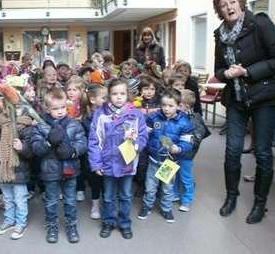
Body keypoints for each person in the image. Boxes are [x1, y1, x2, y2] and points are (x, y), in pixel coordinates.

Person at [213, 0, 275, 224]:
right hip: (236, 99)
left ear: (241, 3)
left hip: (264, 97)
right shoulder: (220, 35)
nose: (228, 7)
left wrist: (248, 71)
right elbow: (218, 71)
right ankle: (231, 197)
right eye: (223, 5)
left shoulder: (259, 23)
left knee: (263, 152)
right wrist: (227, 73)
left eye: (232, 2)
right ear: (219, 10)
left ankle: (259, 204)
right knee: (232, 150)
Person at [88, 78, 148, 239]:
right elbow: (95, 140)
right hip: (107, 164)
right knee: (108, 196)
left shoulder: (135, 114)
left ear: (127, 94)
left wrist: (136, 145)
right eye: (115, 94)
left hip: (127, 163)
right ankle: (108, 222)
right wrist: (96, 164)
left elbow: (143, 135)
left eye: (122, 93)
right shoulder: (100, 114)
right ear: (109, 95)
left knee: (126, 195)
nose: (119, 97)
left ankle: (124, 223)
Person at [31, 87, 87, 244]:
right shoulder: (41, 126)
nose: (60, 111)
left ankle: (71, 225)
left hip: (70, 170)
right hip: (50, 170)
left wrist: (73, 152)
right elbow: (36, 149)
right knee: (51, 200)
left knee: (70, 200)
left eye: (62, 107)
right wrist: (48, 141)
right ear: (47, 109)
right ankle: (52, 225)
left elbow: (83, 143)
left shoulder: (74, 125)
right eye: (55, 109)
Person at [138, 89, 193, 223]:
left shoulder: (185, 123)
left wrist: (178, 148)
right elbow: (145, 133)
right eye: (164, 105)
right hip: (153, 160)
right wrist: (137, 138)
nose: (166, 109)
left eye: (170, 106)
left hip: (169, 162)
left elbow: (187, 143)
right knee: (150, 187)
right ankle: (147, 206)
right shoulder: (153, 117)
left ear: (178, 106)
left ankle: (166, 209)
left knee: (167, 188)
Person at [0, 100, 33, 240]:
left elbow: (31, 152)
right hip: (2, 168)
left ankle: (21, 223)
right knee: (7, 198)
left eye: (18, 108)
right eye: (10, 108)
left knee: (20, 199)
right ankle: (9, 220)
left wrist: (22, 148)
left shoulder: (26, 126)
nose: (14, 111)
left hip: (19, 169)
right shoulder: (1, 124)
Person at [173, 89, 210, 211]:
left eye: (176, 104)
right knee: (174, 174)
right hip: (174, 153)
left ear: (185, 106)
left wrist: (183, 144)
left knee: (185, 177)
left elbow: (197, 137)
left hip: (186, 155)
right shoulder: (176, 117)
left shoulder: (194, 119)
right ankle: (175, 193)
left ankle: (187, 199)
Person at [82, 83, 107, 219]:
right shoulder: (88, 119)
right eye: (103, 98)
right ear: (93, 100)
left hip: (107, 155)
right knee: (95, 182)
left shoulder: (110, 115)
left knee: (107, 181)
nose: (107, 100)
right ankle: (95, 204)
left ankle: (107, 203)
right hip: (93, 157)